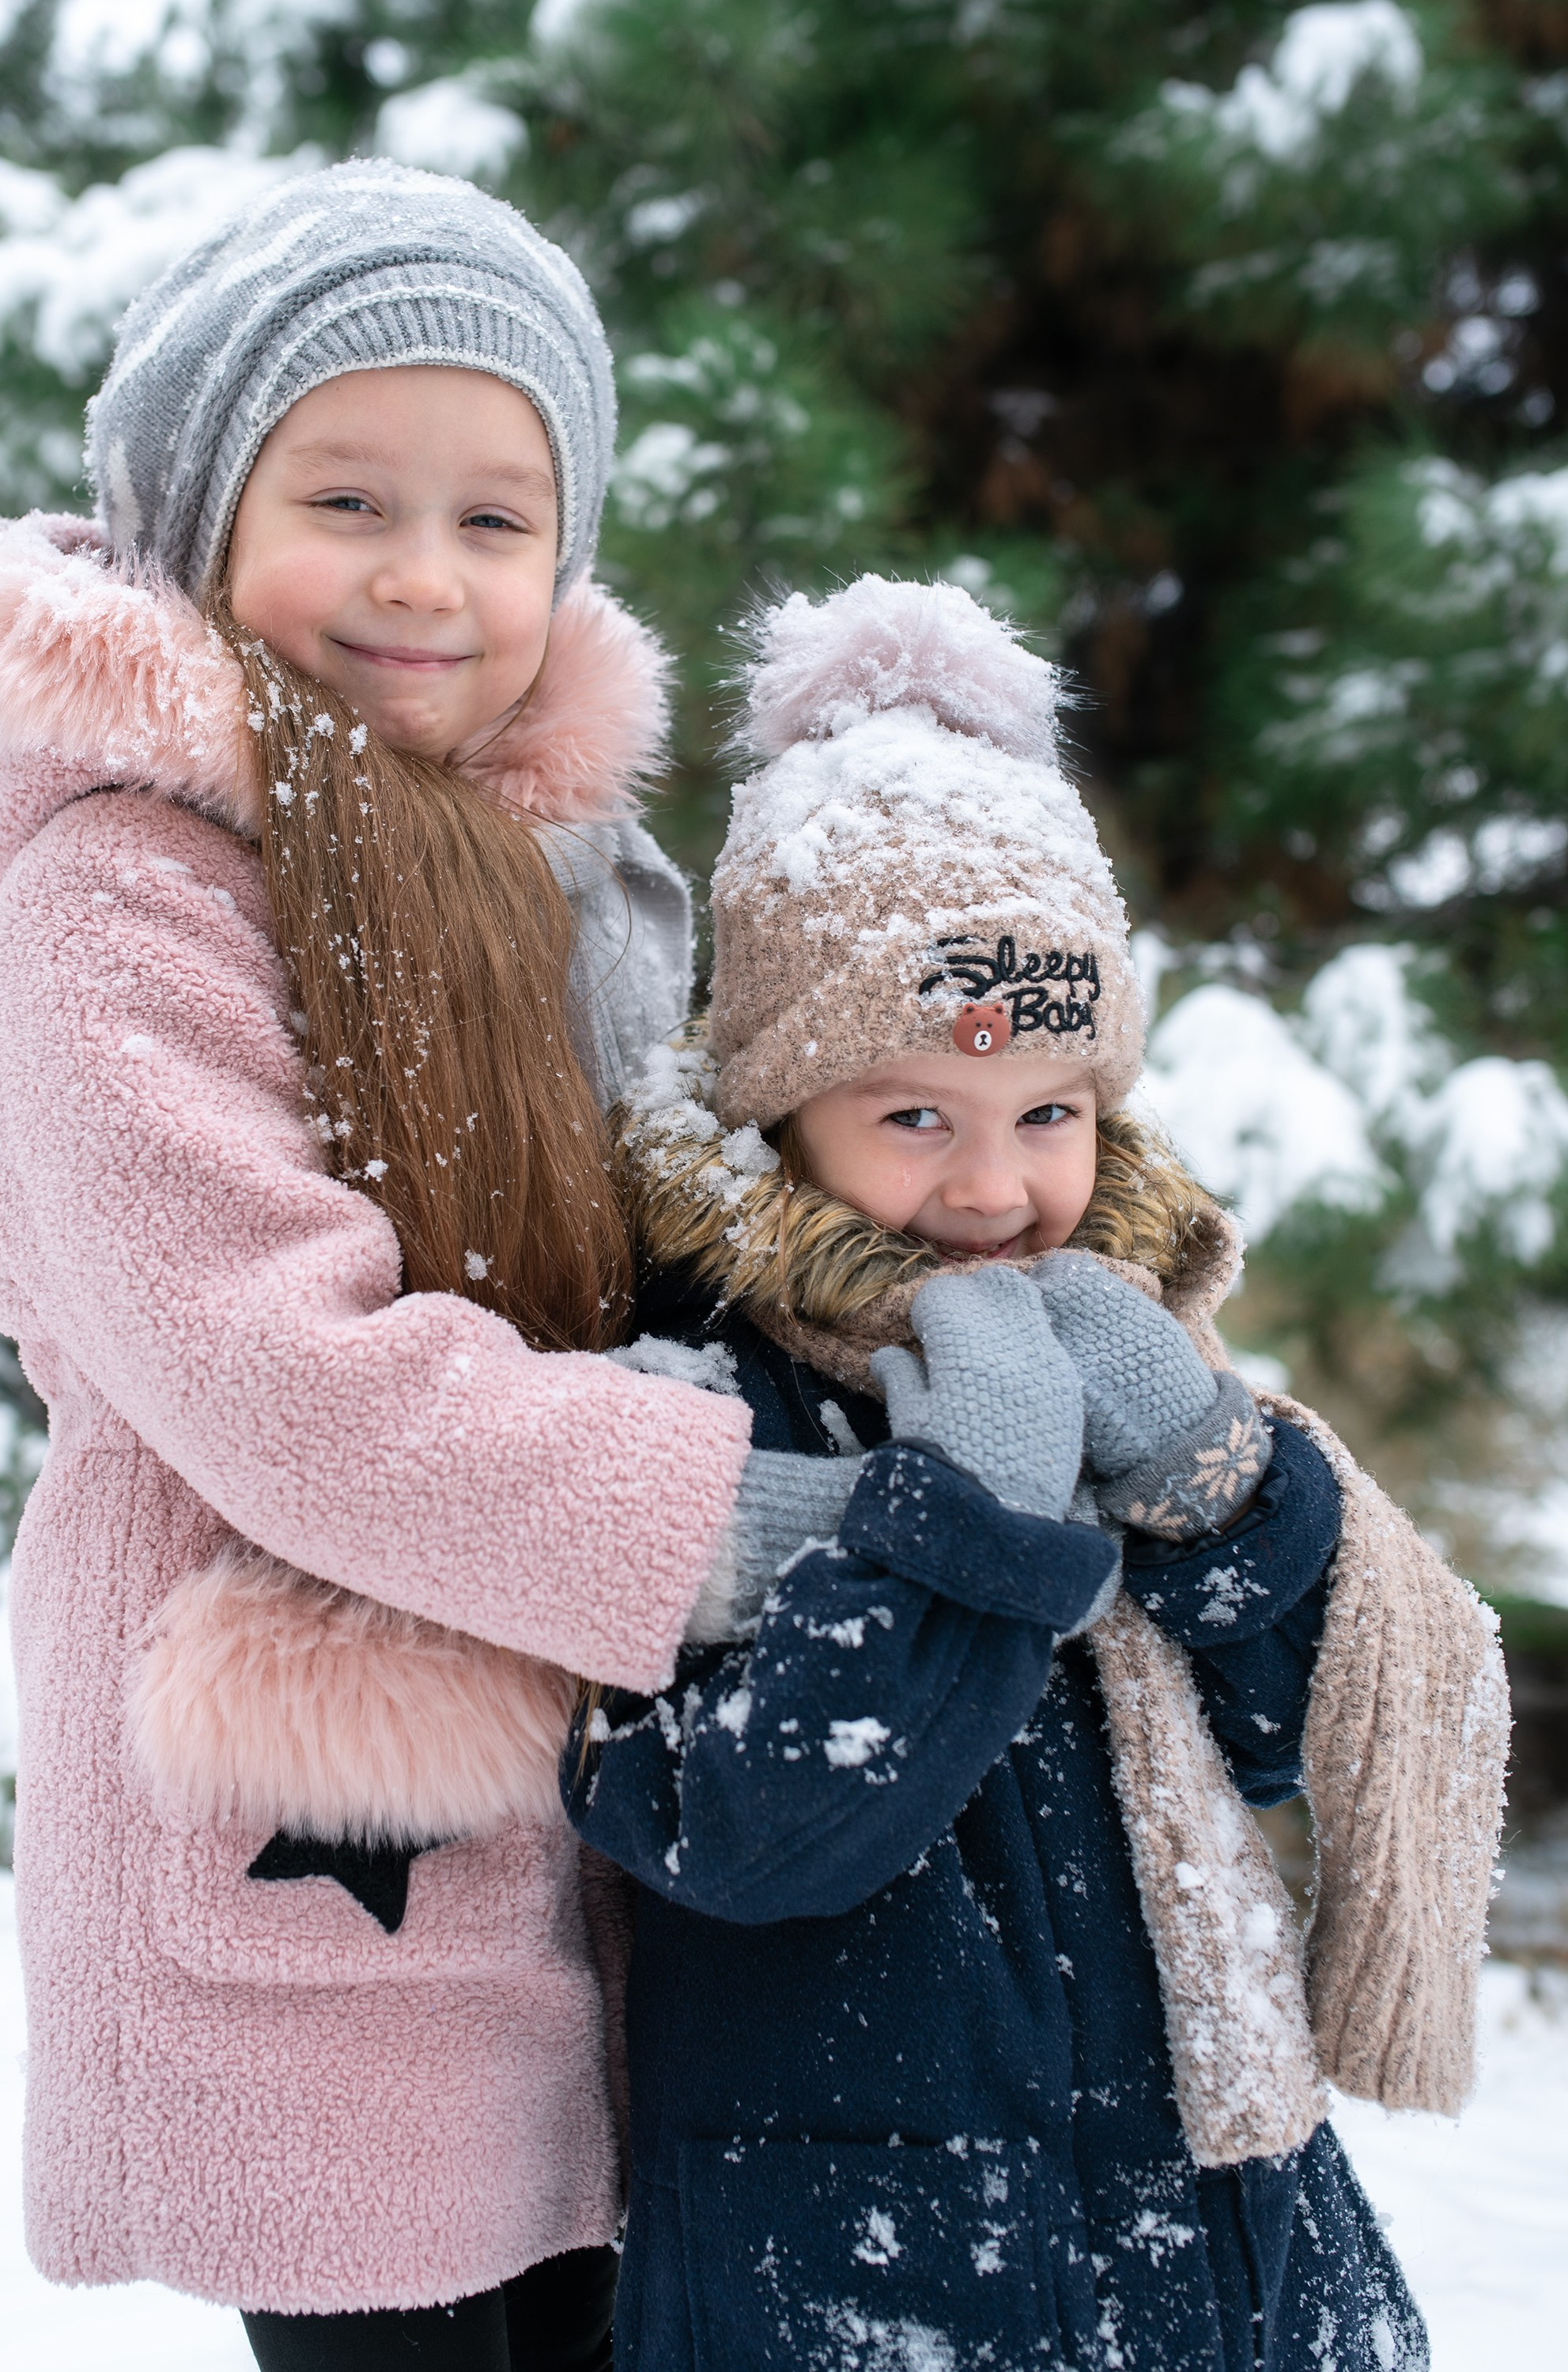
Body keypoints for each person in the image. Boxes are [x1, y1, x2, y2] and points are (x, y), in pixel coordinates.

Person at [0, 160, 842, 2370]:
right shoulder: (129, 900)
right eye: (349, 498)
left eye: (497, 521)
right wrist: (752, 1526)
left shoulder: (577, 879)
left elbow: (705, 1217)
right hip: (320, 1845)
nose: (426, 578)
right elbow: (282, 1374)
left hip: (599, 1850)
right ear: (199, 510)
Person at [568, 575, 1510, 2371]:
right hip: (861, 2262)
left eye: (1051, 1116)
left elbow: (1282, 1725)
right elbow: (760, 1831)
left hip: (1203, 2221)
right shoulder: (687, 1416)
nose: (996, 1190)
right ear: (778, 1110)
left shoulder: (1128, 1353)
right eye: (917, 1115)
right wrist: (974, 1514)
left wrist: (1214, 1473)